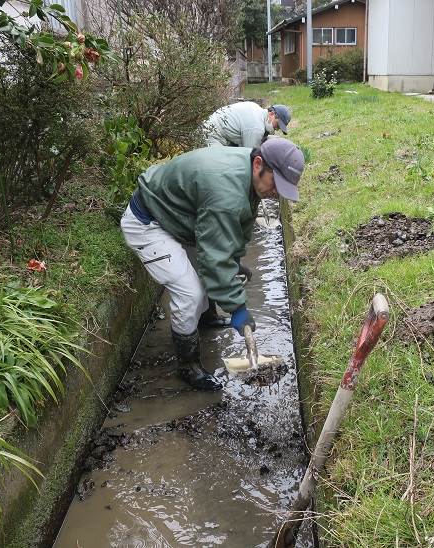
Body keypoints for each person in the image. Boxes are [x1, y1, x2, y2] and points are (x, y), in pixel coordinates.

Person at [120, 138, 305, 391]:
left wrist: (234, 261)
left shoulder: (249, 171)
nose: (276, 193)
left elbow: (233, 232)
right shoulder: (226, 192)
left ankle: (206, 318)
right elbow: (215, 260)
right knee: (191, 294)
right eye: (276, 183)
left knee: (212, 273)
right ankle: (189, 366)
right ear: (259, 163)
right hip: (149, 222)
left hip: (178, 216)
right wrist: (238, 309)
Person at [203, 101, 292, 149]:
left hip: (213, 130)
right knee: (222, 168)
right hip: (211, 135)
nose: (276, 129)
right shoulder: (257, 127)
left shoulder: (256, 110)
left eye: (279, 128)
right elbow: (249, 156)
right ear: (272, 114)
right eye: (277, 125)